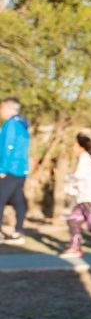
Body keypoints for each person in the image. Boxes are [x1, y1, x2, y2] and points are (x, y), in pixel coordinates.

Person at [0, 97, 29, 245]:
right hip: (21, 169)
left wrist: (2, 168)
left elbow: (7, 147)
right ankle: (19, 232)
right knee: (18, 201)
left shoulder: (11, 125)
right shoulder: (22, 123)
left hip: (10, 169)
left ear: (8, 108)